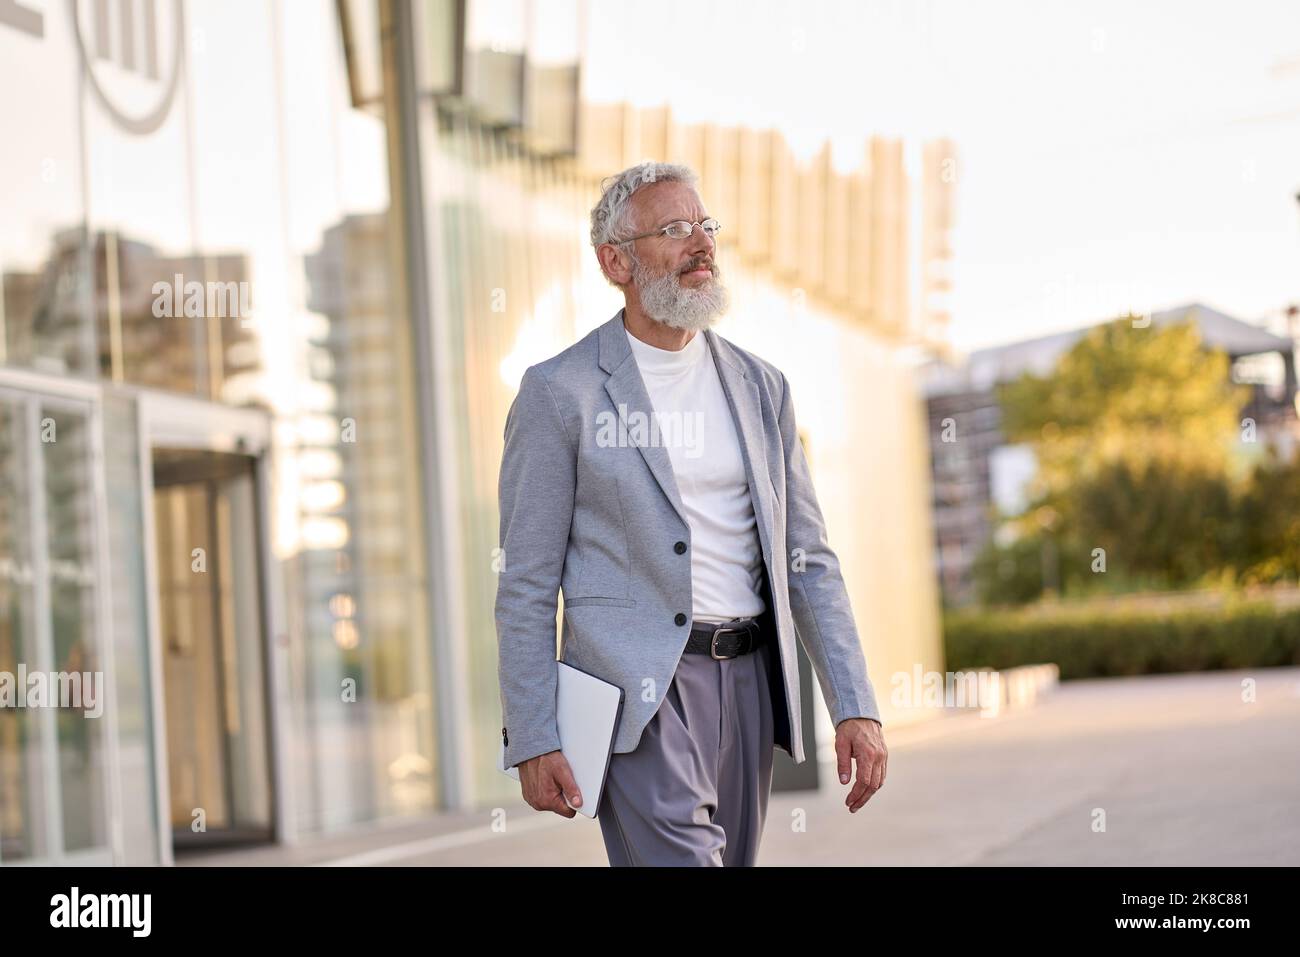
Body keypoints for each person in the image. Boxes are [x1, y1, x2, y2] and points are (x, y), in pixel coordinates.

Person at [495, 161, 888, 866]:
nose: (700, 243)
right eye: (673, 229)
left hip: (749, 681)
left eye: (705, 225)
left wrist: (854, 703)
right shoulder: (561, 394)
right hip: (640, 696)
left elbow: (809, 559)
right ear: (615, 261)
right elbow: (525, 582)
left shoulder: (762, 386)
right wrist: (532, 732)